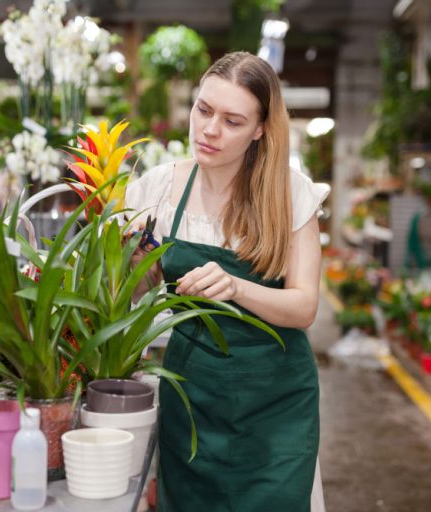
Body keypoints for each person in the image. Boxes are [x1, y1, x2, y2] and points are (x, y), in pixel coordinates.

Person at [125, 51, 328, 511]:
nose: (210, 129)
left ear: (260, 129)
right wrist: (132, 263)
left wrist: (238, 287)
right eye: (203, 110)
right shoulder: (156, 190)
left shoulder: (290, 194)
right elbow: (137, 294)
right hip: (193, 399)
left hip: (276, 407)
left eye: (233, 121)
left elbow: (304, 307)